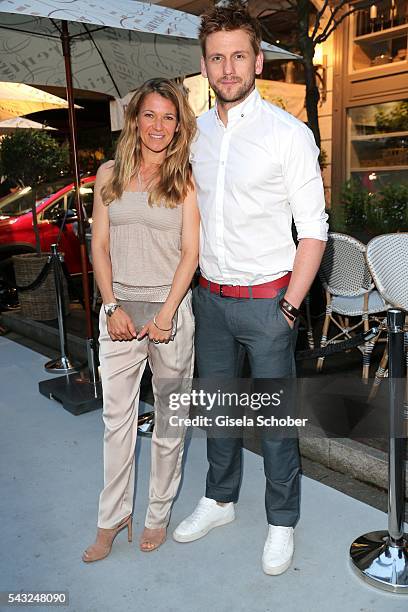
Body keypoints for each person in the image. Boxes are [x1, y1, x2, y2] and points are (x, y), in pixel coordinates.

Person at [172, 3, 328, 576]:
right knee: (217, 412)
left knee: (274, 424)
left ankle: (281, 521)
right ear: (206, 66)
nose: (228, 67)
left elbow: (314, 230)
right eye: (217, 58)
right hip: (208, 299)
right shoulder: (196, 137)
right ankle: (219, 500)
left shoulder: (290, 135)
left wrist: (290, 307)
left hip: (269, 303)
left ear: (258, 61)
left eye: (239, 55)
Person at [83, 78, 199, 562]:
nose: (159, 126)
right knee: (117, 423)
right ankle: (112, 519)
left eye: (168, 117)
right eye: (150, 115)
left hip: (170, 312)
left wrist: (168, 314)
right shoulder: (109, 173)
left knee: (171, 421)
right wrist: (111, 307)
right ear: (135, 120)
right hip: (121, 313)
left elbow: (191, 252)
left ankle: (156, 515)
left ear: (178, 125)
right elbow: (100, 246)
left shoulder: (185, 179)